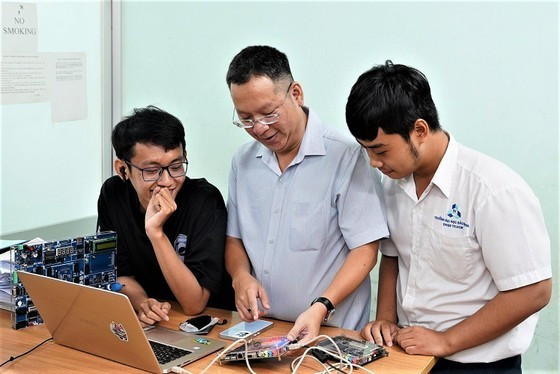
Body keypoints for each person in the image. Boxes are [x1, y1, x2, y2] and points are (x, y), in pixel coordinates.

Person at [346, 61, 552, 372]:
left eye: (381, 150)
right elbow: (393, 256)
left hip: (476, 363)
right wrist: (386, 319)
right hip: (408, 356)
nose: (374, 163)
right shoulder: (393, 185)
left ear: (419, 130)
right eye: (366, 151)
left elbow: (533, 291)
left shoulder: (493, 190)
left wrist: (446, 341)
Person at [224, 45, 389, 344]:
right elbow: (234, 238)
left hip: (332, 335)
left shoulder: (346, 157)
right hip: (265, 332)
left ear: (296, 94)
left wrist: (321, 307)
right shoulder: (243, 162)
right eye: (245, 119)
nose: (259, 128)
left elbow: (366, 249)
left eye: (268, 113)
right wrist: (240, 277)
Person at [97, 106, 234, 325]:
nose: (168, 181)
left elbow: (194, 303)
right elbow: (120, 273)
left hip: (205, 322)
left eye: (176, 166)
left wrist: (156, 232)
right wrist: (143, 302)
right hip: (156, 321)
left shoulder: (204, 201)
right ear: (123, 169)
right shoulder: (113, 194)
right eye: (151, 171)